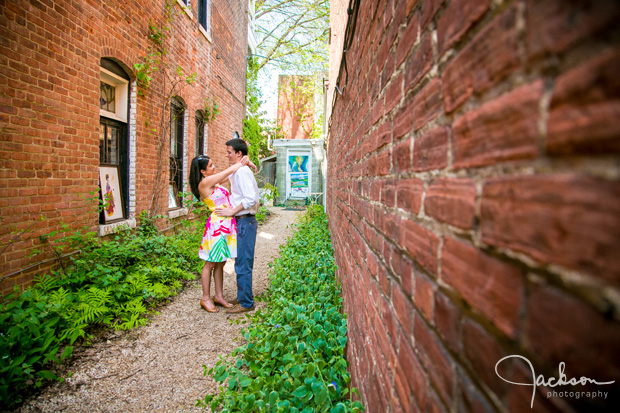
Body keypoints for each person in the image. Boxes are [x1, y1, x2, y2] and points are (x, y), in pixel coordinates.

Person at [188, 154, 254, 313]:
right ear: (203, 171)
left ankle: (218, 296)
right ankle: (205, 298)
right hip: (217, 227)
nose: (214, 167)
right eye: (211, 166)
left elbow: (232, 174)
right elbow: (229, 170)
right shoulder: (204, 183)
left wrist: (247, 163)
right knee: (210, 263)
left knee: (221, 262)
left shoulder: (214, 183)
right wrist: (241, 161)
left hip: (226, 225)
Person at [215, 139, 259, 314]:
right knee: (240, 261)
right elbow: (225, 178)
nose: (226, 155)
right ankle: (243, 297)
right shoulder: (238, 170)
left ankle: (247, 303)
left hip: (245, 221)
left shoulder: (241, 173)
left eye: (229, 152)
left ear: (238, 154)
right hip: (242, 222)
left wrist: (232, 211)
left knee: (243, 263)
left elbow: (250, 199)